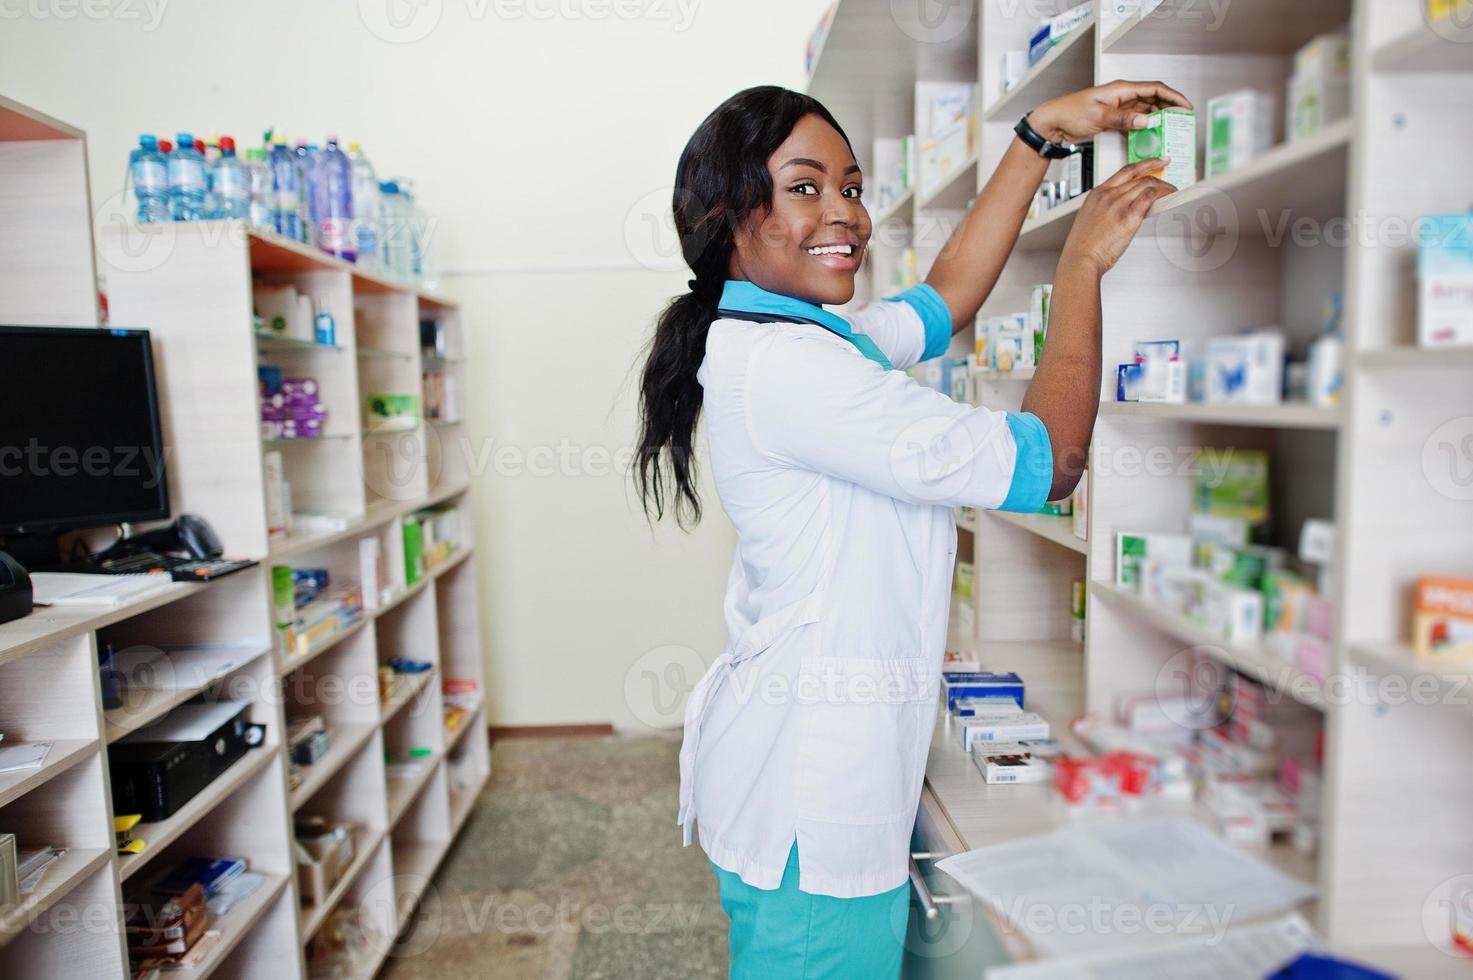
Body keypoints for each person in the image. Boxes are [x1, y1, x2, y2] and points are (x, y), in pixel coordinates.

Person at [634, 80, 1190, 978]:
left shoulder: (808, 338)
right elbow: (1048, 462)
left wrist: (1038, 134)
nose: (844, 213)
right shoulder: (791, 369)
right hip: (810, 794)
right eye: (804, 187)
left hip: (790, 756)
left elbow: (944, 300)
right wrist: (1079, 265)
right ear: (729, 217)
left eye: (849, 187)